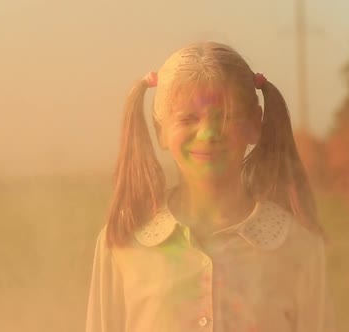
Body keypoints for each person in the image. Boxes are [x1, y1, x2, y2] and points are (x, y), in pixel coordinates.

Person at [86, 42, 335, 332]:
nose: (207, 133)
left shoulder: (299, 247)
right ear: (160, 131)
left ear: (256, 124)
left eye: (226, 117)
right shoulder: (122, 243)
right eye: (188, 118)